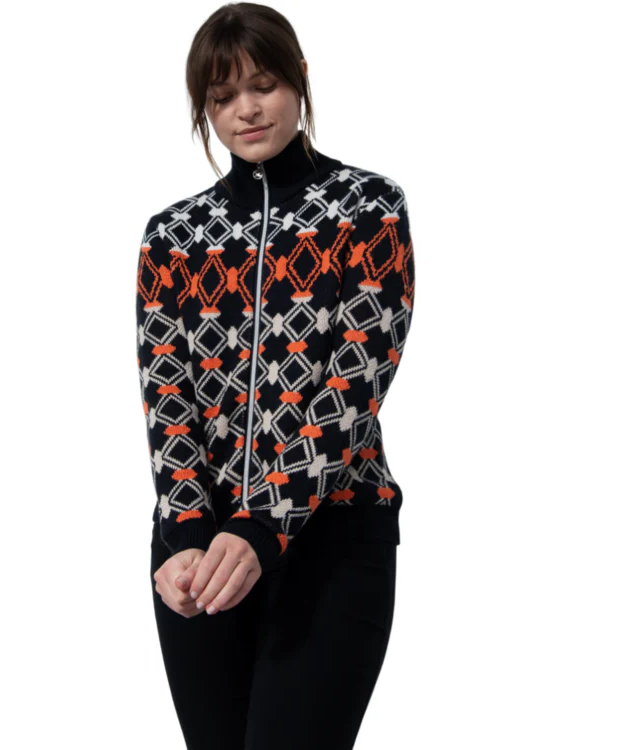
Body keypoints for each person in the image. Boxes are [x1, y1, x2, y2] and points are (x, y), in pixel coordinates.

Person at [135, 4, 416, 748]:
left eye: (263, 85)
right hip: (200, 554)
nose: (246, 110)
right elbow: (166, 393)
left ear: (300, 80)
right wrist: (184, 531)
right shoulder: (173, 237)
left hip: (333, 540)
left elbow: (356, 383)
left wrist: (262, 523)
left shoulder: (368, 209)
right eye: (223, 96)